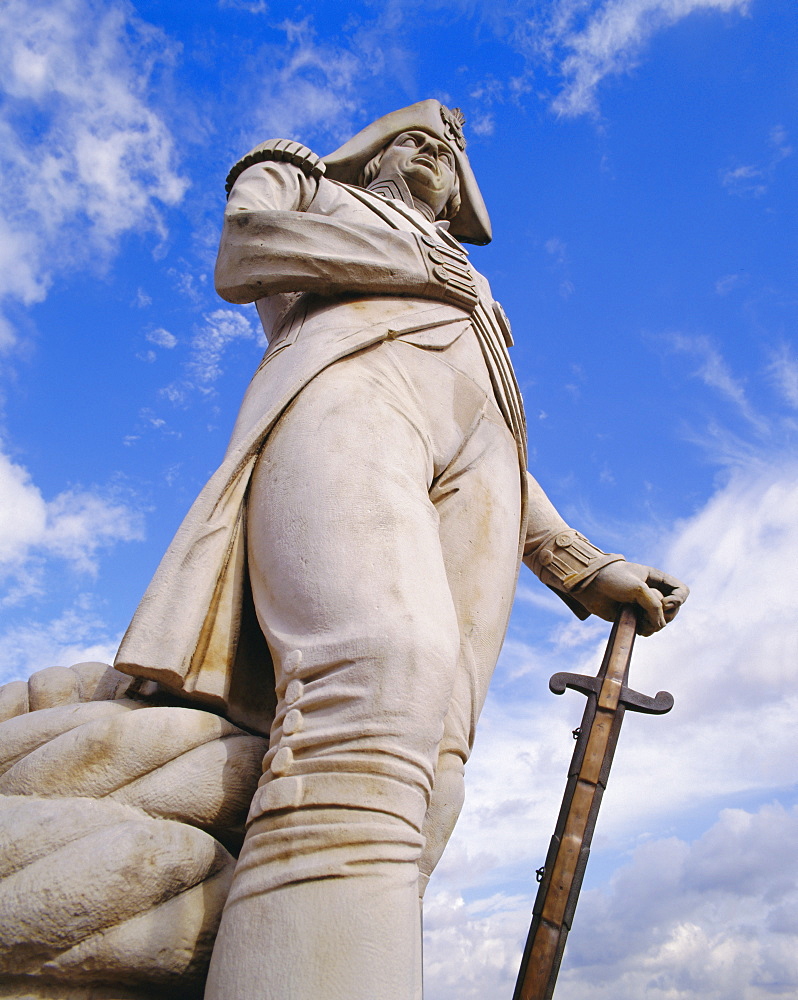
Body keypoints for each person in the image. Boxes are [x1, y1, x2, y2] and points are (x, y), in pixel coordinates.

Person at [115, 100, 688, 1000]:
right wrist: (414, 264)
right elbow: (245, 247)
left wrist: (578, 560)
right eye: (413, 142)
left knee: (437, 775)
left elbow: (491, 430)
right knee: (382, 672)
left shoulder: (470, 283)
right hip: (352, 398)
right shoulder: (310, 183)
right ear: (371, 157)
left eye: (449, 157)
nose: (434, 157)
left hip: (480, 473)